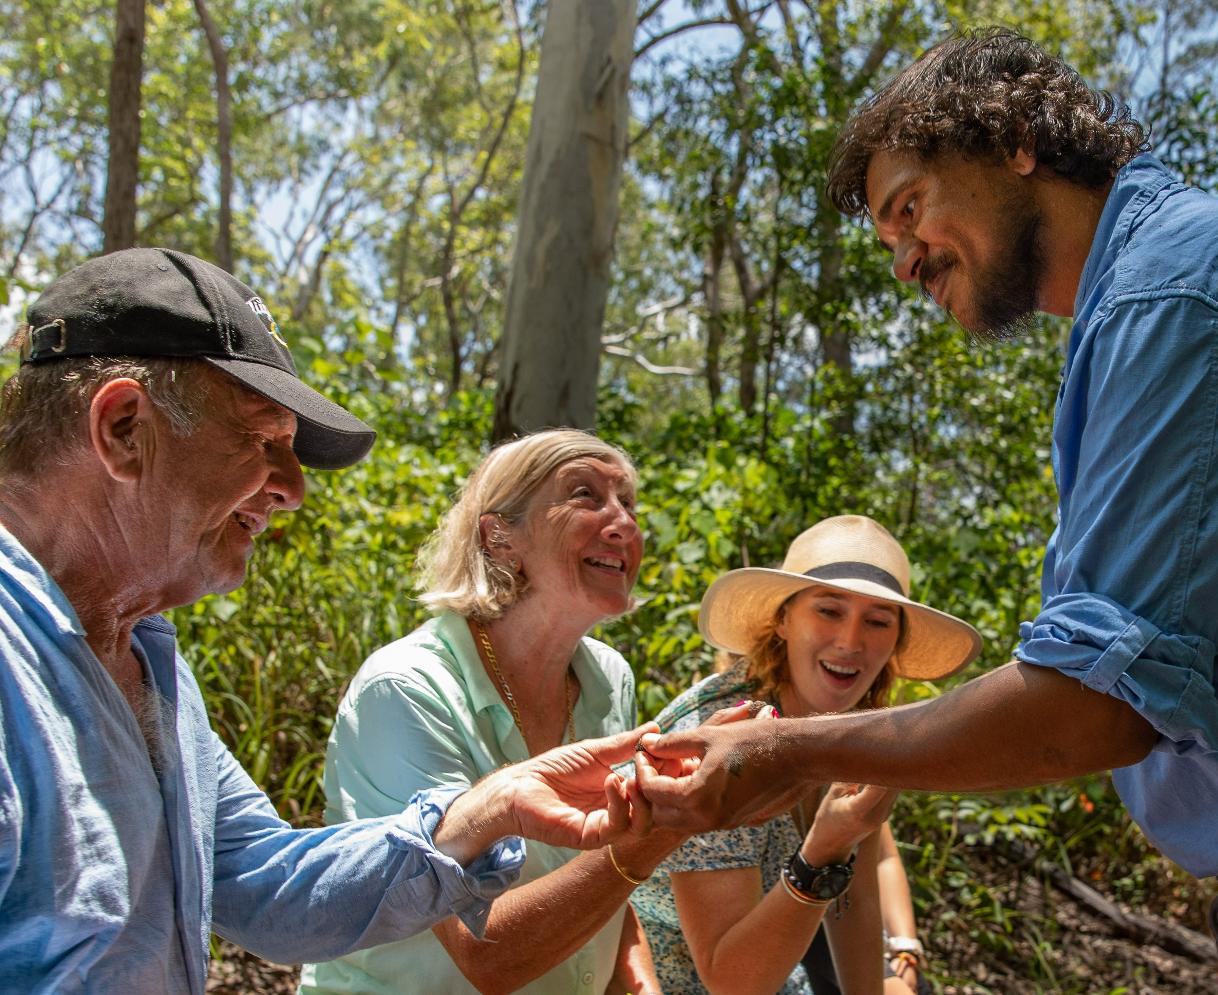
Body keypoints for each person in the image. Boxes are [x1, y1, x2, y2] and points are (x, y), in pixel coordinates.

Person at [633, 27, 1218, 992]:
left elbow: (1096, 707)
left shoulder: (1174, 293)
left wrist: (780, 754)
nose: (904, 266)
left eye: (910, 208)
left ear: (1017, 136)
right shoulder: (1136, 307)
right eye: (890, 243)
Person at [0, 247, 653, 994]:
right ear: (121, 427)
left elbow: (265, 881)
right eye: (262, 438)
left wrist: (488, 808)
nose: (292, 488)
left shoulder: (148, 660)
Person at [301, 429, 691, 995]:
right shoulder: (406, 689)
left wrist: (638, 984)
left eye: (627, 502)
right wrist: (670, 826)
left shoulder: (608, 677)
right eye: (585, 495)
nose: (624, 523)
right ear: (500, 536)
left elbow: (601, 884)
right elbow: (483, 953)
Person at [631, 516, 980, 994]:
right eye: (829, 611)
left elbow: (855, 893)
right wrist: (825, 850)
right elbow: (730, 982)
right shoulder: (719, 740)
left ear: (895, 642)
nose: (850, 642)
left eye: (877, 621)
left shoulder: (858, 725)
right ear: (783, 619)